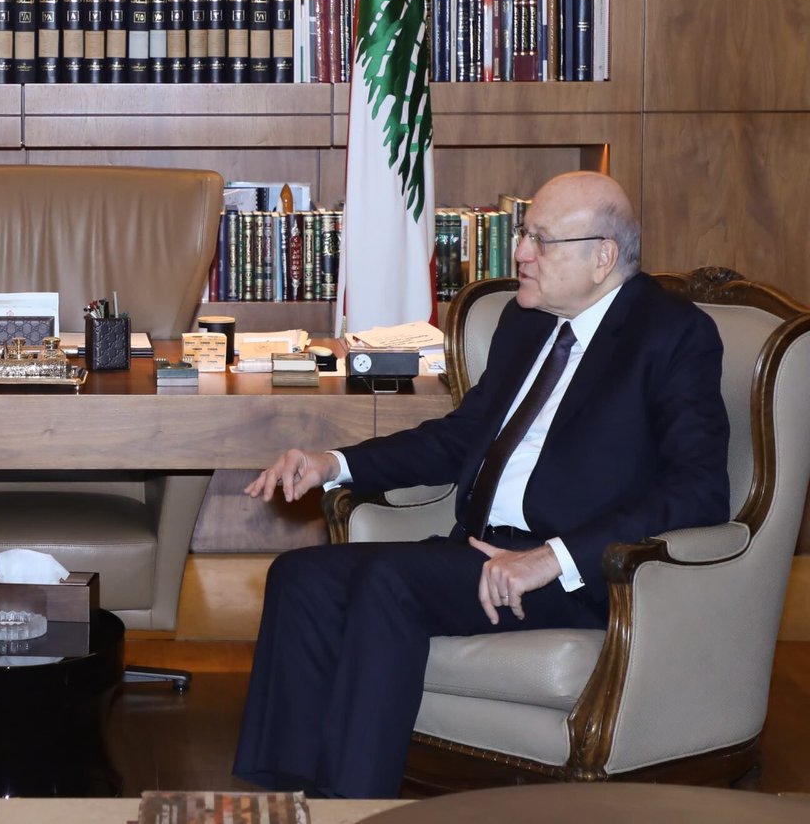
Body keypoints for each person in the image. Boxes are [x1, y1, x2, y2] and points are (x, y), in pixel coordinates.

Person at [232, 171, 731, 798]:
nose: (520, 252)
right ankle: (287, 796)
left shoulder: (672, 334)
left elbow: (700, 489)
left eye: (541, 240)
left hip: (579, 573)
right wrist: (334, 464)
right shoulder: (527, 323)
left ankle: (354, 805)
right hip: (477, 550)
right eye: (524, 234)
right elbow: (460, 438)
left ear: (603, 257)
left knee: (388, 583)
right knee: (299, 576)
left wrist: (551, 557)